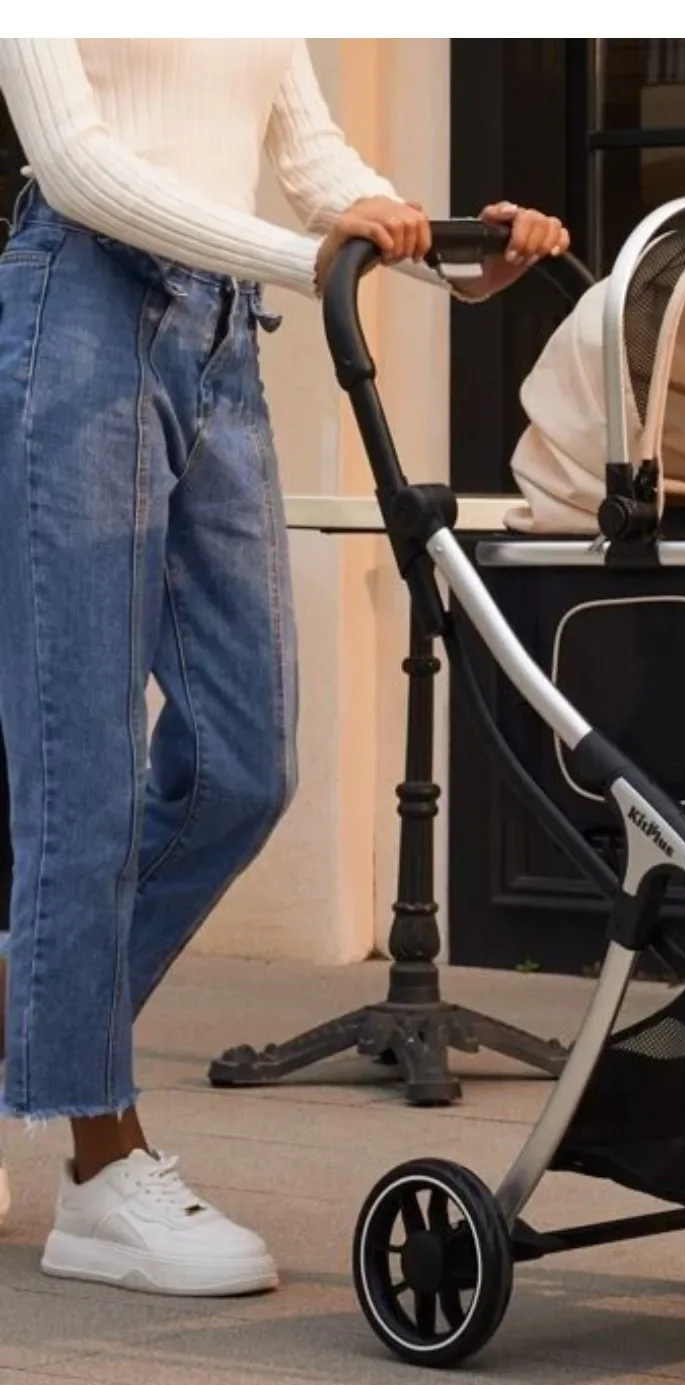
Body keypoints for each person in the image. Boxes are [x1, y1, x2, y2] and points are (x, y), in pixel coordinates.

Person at [0, 39, 567, 1288]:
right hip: (78, 321)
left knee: (245, 764)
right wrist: (304, 260)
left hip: (219, 337)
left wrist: (449, 255)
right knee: (81, 777)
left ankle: (23, 1019)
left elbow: (315, 163)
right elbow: (78, 167)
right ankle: (98, 1164)